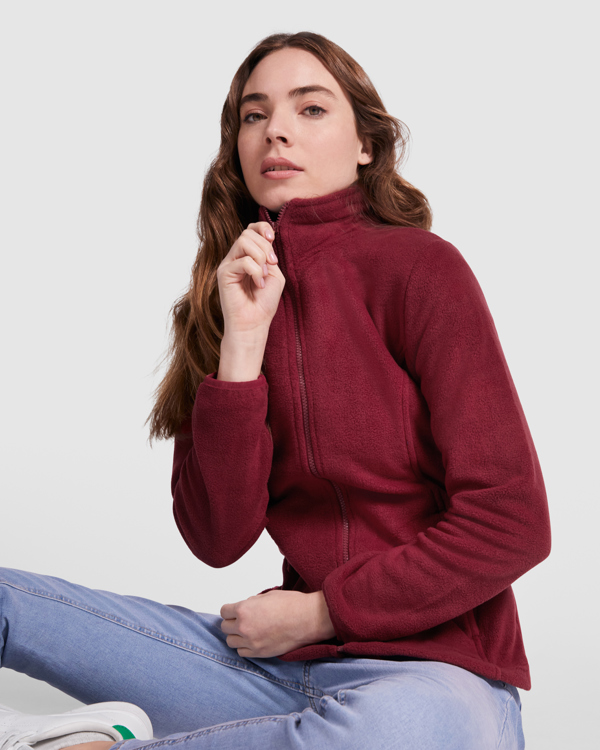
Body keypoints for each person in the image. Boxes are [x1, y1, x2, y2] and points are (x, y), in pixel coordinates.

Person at [0, 30, 551, 750]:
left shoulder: (422, 270)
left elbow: (512, 521)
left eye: (310, 108)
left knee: (400, 732)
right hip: (275, 669)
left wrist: (323, 613)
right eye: (254, 115)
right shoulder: (225, 297)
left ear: (366, 144)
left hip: (436, 679)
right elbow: (217, 537)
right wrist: (241, 341)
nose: (276, 131)